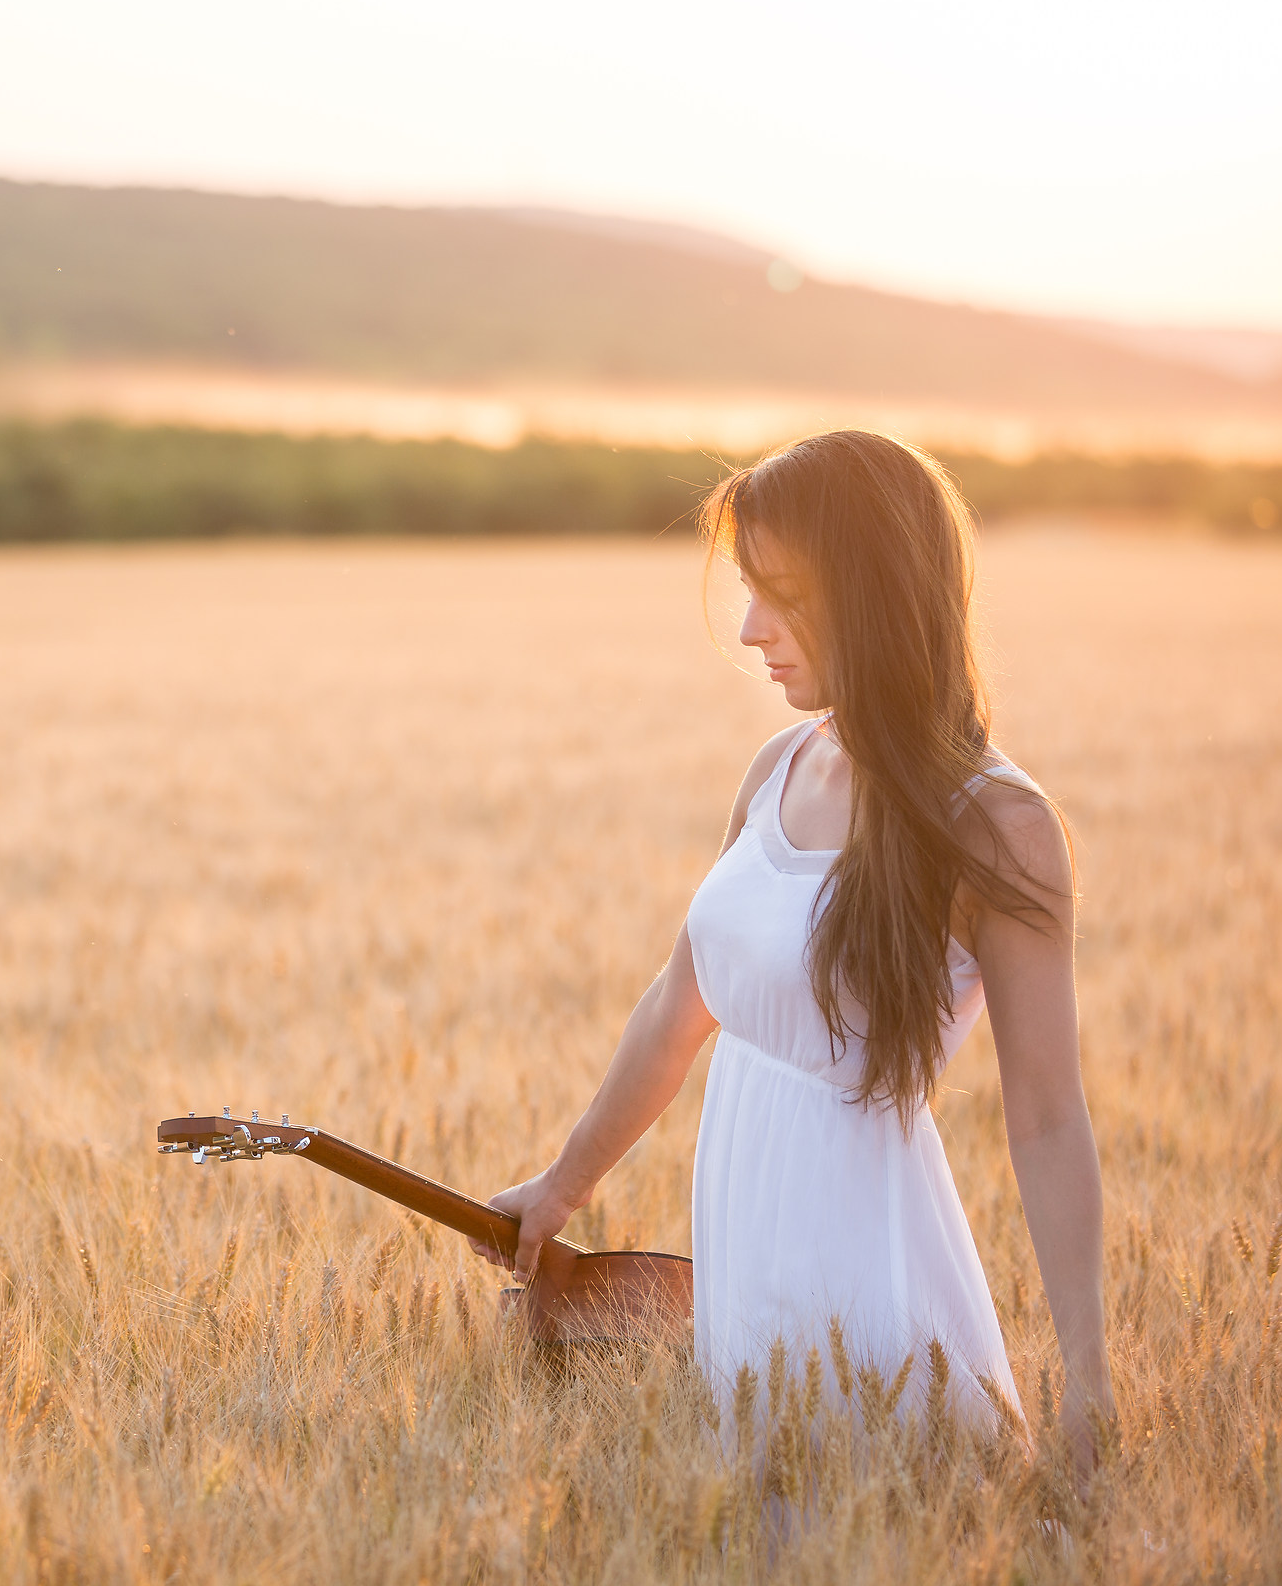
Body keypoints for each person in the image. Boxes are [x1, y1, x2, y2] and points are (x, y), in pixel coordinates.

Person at [469, 429, 1113, 1470]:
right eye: (745, 589)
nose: (750, 628)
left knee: (872, 1517)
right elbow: (682, 1000)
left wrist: (1088, 1378)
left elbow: (1047, 1117)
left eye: (781, 592)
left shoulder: (997, 824)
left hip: (866, 1278)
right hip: (743, 1258)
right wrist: (560, 1187)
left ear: (872, 592)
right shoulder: (776, 768)